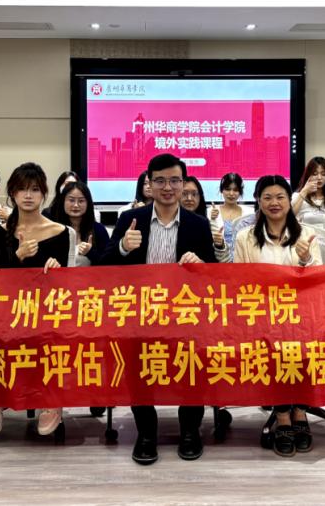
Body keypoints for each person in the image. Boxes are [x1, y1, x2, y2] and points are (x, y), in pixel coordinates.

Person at [102, 154, 217, 465]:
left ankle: (190, 431)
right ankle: (146, 434)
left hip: (185, 312)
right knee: (140, 372)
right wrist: (123, 247)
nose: (168, 187)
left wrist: (201, 265)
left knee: (190, 368)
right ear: (149, 184)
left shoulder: (198, 224)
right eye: (161, 181)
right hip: (140, 311)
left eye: (175, 180)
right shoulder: (130, 219)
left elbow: (213, 273)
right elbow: (104, 265)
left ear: (183, 183)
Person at [0, 163, 75, 437]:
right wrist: (18, 257)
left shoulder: (64, 233)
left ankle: (51, 400)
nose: (28, 195)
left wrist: (58, 274)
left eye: (34, 189)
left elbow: (72, 285)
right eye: (22, 189)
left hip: (50, 310)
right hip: (8, 310)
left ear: (44, 193)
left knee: (53, 333)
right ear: (12, 193)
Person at [233, 175, 322, 456]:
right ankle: (283, 415)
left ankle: (300, 411)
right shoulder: (245, 238)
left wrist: (306, 260)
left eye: (281, 197)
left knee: (301, 342)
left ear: (289, 200)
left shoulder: (307, 235)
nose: (274, 203)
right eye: (268, 197)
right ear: (258, 201)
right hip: (260, 315)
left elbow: (320, 284)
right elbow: (239, 284)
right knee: (276, 343)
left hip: (301, 314)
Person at [49, 181, 109, 266]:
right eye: (71, 200)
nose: (76, 205)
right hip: (61, 275)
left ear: (88, 203)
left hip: (89, 275)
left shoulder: (99, 229)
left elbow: (108, 263)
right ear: (63, 202)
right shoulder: (53, 229)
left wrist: (90, 252)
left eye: (81, 201)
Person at [181, 176, 231, 262]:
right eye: (184, 194)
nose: (189, 198)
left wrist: (219, 246)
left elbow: (223, 262)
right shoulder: (171, 222)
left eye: (194, 194)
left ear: (200, 197)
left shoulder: (207, 223)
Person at [292, 156, 325, 224]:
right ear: (308, 175)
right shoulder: (297, 196)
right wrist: (304, 191)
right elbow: (288, 219)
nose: (319, 178)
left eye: (323, 174)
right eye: (315, 174)